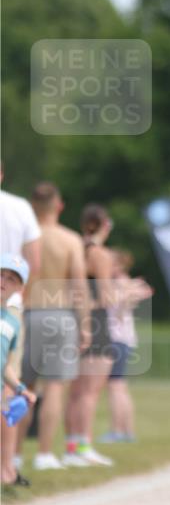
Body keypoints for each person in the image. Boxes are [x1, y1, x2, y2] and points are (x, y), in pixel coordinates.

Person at [18, 182, 90, 470]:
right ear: (59, 206)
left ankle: (14, 454)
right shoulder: (70, 239)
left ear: (32, 206)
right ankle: (45, 454)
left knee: (22, 387)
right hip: (60, 315)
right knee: (55, 386)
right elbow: (79, 286)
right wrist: (85, 325)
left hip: (25, 313)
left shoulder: (24, 238)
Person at [63, 204, 116, 467]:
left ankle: (72, 448)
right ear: (105, 225)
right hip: (96, 322)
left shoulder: (73, 250)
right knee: (90, 392)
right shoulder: (100, 254)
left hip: (73, 321)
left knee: (75, 392)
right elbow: (106, 296)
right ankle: (84, 447)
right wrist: (129, 292)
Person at [0, 167, 42, 482]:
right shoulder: (19, 207)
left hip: (10, 304)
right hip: (12, 304)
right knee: (6, 393)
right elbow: (34, 261)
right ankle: (7, 468)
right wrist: (18, 296)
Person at [98, 249, 153, 443]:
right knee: (120, 386)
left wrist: (124, 296)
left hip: (117, 339)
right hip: (124, 339)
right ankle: (127, 431)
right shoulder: (126, 284)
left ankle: (117, 431)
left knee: (115, 387)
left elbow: (118, 308)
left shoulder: (119, 283)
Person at [1, 255, 37, 486]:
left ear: (20, 288)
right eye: (0, 275)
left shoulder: (12, 322)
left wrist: (20, 388)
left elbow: (4, 365)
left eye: (11, 279)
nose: (3, 281)